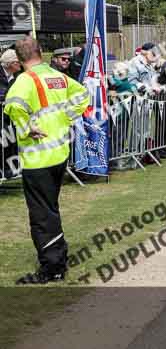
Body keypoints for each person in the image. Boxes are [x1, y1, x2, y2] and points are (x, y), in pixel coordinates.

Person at [5, 38, 89, 284]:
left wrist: (26, 128)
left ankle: (52, 267)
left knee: (42, 215)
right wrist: (67, 118)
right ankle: (59, 258)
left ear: (18, 61)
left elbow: (12, 105)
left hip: (38, 158)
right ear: (41, 53)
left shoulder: (24, 80)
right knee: (50, 210)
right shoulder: (57, 76)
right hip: (59, 153)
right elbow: (83, 94)